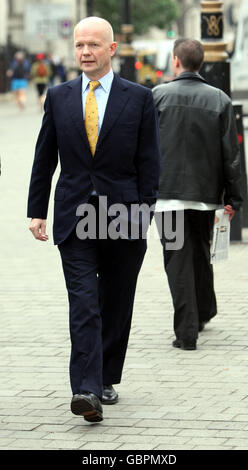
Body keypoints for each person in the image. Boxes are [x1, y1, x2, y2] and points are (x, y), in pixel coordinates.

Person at [27, 17, 160, 422]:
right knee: (84, 303)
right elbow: (44, 156)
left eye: (93, 45)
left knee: (116, 302)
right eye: (79, 44)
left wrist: (143, 212)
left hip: (123, 214)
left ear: (111, 49)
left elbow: (149, 163)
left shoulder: (138, 98)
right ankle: (85, 389)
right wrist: (36, 210)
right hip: (74, 215)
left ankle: (105, 376)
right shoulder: (59, 96)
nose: (85, 52)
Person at [152, 38, 242, 351]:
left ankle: (187, 332)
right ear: (200, 64)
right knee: (201, 253)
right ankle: (204, 311)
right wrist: (234, 196)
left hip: (167, 196)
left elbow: (145, 149)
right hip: (206, 194)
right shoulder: (219, 99)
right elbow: (231, 154)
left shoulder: (158, 96)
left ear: (176, 61)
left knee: (177, 260)